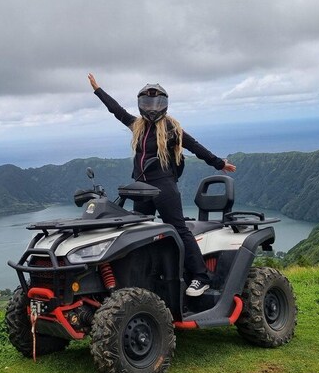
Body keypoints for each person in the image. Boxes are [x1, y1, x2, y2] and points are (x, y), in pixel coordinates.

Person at [88, 73, 236, 296]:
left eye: (156, 102)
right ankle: (144, 279)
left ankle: (200, 277)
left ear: (164, 104)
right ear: (140, 104)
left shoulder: (171, 129)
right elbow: (116, 111)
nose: (152, 106)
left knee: (178, 228)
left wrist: (218, 163)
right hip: (141, 188)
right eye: (147, 102)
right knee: (139, 231)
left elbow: (195, 146)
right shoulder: (137, 125)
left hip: (163, 186)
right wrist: (98, 90)